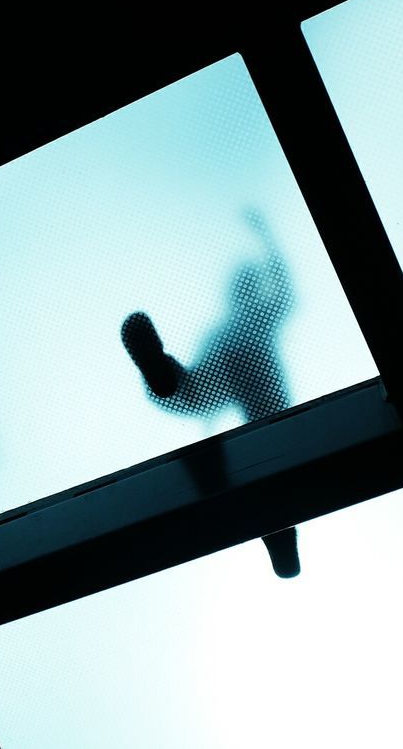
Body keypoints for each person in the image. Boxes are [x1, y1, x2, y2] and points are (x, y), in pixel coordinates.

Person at [121, 209, 300, 577]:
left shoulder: (223, 329)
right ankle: (281, 536)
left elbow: (201, 396)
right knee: (272, 445)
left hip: (227, 373)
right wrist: (266, 236)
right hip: (259, 385)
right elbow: (285, 290)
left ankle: (163, 374)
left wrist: (176, 383)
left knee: (192, 393)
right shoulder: (259, 315)